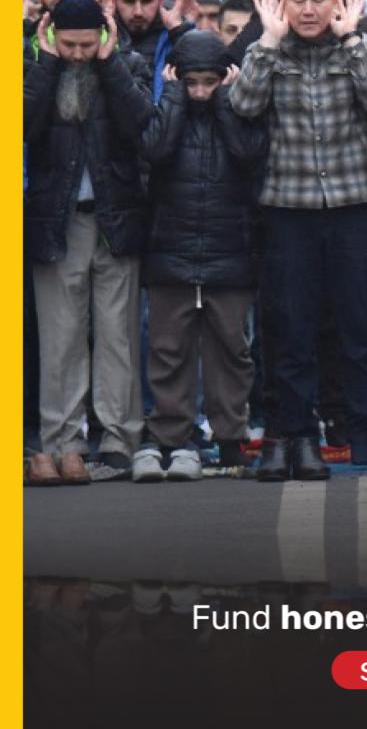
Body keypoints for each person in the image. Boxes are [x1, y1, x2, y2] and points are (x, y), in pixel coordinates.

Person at [229, 0, 367, 481]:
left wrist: (351, 41)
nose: (307, 9)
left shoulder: (358, 48)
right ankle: (294, 433)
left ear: (336, 3)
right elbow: (244, 104)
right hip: (289, 209)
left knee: (358, 324)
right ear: (282, 5)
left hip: (354, 208)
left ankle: (362, 433)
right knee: (291, 326)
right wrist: (267, 43)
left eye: (317, 0)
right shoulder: (269, 51)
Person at [24, 0, 154, 485]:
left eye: (86, 44)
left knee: (118, 336)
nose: (78, 54)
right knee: (60, 340)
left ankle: (120, 440)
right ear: (52, 36)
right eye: (68, 44)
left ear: (103, 36)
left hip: (116, 219)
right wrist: (47, 64)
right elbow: (21, 126)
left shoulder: (128, 65)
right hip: (56, 222)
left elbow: (144, 126)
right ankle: (63, 443)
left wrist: (111, 64)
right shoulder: (35, 66)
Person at [133, 31, 267, 483]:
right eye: (191, 83)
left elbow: (250, 155)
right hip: (172, 249)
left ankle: (231, 438)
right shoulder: (166, 109)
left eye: (210, 83)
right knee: (168, 350)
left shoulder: (240, 112)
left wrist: (229, 103)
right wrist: (171, 99)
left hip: (229, 251)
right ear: (177, 78)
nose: (201, 92)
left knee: (232, 350)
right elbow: (154, 151)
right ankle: (173, 438)